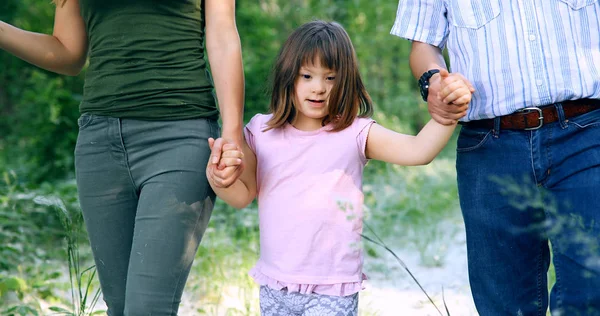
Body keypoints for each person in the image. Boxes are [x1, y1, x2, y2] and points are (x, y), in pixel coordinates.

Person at [205, 20, 472, 315]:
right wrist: (219, 179)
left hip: (332, 291)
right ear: (288, 77)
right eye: (307, 75)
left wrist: (449, 111)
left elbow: (419, 150)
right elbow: (242, 195)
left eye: (330, 78)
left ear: (345, 81)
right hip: (275, 286)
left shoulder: (354, 134)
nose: (318, 88)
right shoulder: (261, 131)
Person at [0, 1, 244, 315]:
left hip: (180, 134)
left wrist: (233, 132)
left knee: (147, 308)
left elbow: (222, 32)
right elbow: (69, 52)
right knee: (120, 307)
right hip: (99, 142)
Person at [391, 1, 600, 315]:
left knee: (590, 290)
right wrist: (434, 83)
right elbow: (424, 45)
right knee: (505, 303)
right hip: (490, 144)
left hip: (587, 133)